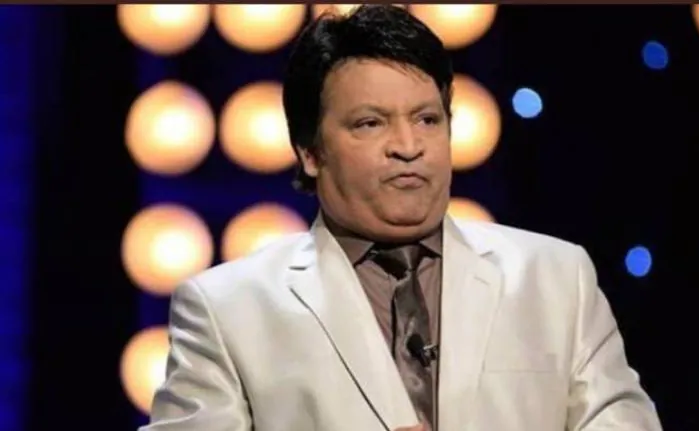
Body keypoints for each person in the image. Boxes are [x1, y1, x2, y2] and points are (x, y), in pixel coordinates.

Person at [140, 5, 662, 431]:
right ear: (310, 151)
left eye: (427, 119)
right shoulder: (227, 309)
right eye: (371, 123)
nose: (408, 146)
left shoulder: (557, 277)